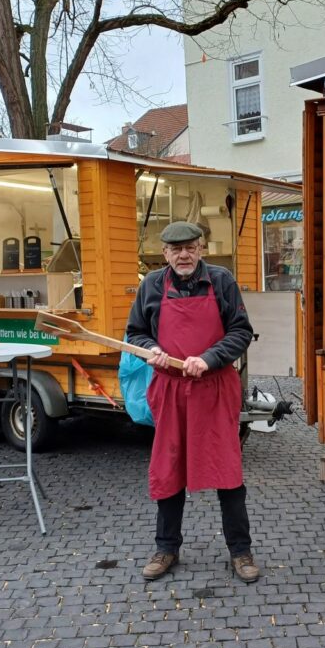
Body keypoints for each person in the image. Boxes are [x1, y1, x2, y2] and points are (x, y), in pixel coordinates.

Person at [125, 221, 259, 583]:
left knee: (227, 471)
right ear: (165, 253)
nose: (183, 254)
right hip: (170, 391)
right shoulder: (151, 285)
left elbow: (241, 331)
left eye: (190, 247)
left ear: (201, 249)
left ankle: (241, 551)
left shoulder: (221, 281)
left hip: (214, 389)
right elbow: (135, 332)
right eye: (175, 249)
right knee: (169, 469)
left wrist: (210, 358)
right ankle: (166, 548)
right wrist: (150, 350)